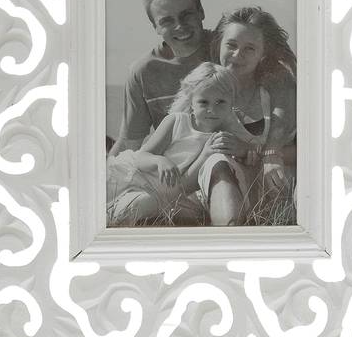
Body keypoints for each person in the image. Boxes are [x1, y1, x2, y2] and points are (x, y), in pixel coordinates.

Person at [107, 63, 255, 225]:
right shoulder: (176, 121)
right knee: (106, 199)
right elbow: (141, 157)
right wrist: (159, 160)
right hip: (136, 177)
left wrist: (211, 154)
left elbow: (186, 186)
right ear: (191, 101)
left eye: (220, 102)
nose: (212, 110)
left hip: (165, 195)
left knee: (133, 207)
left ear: (232, 102)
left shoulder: (225, 136)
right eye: (204, 102)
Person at [205, 6, 297, 225]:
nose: (237, 55)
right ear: (218, 44)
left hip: (276, 187)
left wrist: (260, 152)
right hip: (225, 185)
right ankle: (229, 236)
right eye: (231, 45)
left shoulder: (279, 88)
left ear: (263, 53)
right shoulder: (201, 89)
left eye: (249, 48)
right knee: (218, 162)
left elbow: (309, 152)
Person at [108, 0, 211, 156]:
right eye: (167, 21)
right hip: (173, 167)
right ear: (155, 27)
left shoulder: (230, 52)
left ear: (201, 12)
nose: (179, 26)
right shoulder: (143, 72)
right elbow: (129, 143)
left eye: (186, 15)